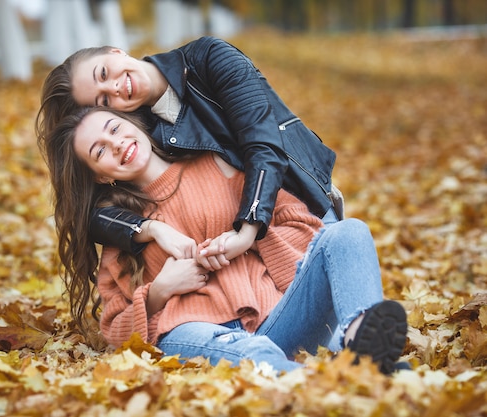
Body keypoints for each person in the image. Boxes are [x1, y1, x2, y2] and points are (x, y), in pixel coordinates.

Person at [40, 106, 408, 375]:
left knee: (349, 232)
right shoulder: (120, 229)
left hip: (278, 320)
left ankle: (362, 342)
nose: (117, 144)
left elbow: (301, 223)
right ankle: (351, 383)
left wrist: (245, 240)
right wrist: (159, 292)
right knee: (253, 354)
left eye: (114, 128)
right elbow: (115, 329)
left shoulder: (216, 163)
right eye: (100, 150)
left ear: (133, 122)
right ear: (100, 177)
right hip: (198, 336)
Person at [35, 36, 343, 269]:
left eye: (103, 73)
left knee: (346, 324)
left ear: (115, 52)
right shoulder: (133, 135)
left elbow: (263, 143)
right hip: (236, 253)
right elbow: (88, 212)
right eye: (103, 101)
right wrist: (151, 229)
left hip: (301, 204)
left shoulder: (209, 57)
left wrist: (248, 228)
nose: (114, 88)